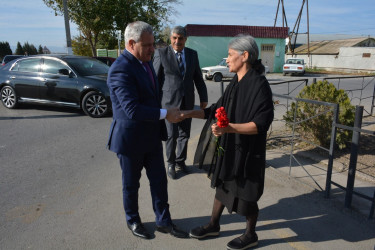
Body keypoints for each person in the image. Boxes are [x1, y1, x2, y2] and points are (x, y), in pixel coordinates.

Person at [180, 35, 274, 249]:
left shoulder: (259, 85)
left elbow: (260, 125)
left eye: (231, 54)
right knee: (223, 184)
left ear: (245, 56)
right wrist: (187, 113)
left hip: (249, 152)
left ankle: (251, 234)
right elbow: (215, 110)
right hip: (231, 148)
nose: (227, 58)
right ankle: (214, 224)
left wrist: (228, 128)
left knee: (246, 194)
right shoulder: (236, 82)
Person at [106, 21, 188, 240]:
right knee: (131, 185)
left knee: (159, 181)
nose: (153, 49)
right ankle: (133, 220)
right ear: (131, 44)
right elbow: (132, 109)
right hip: (130, 140)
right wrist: (165, 114)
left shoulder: (145, 62)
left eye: (153, 44)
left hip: (150, 137)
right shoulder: (120, 69)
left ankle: (163, 221)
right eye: (148, 45)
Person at [153, 26, 208, 179]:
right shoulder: (161, 53)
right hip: (169, 103)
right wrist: (155, 103)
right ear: (170, 39)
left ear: (185, 39)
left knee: (184, 134)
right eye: (174, 38)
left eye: (181, 38)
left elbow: (198, 77)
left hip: (187, 102)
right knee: (171, 135)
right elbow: (155, 80)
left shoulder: (192, 54)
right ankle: (170, 163)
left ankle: (180, 162)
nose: (177, 41)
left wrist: (203, 97)